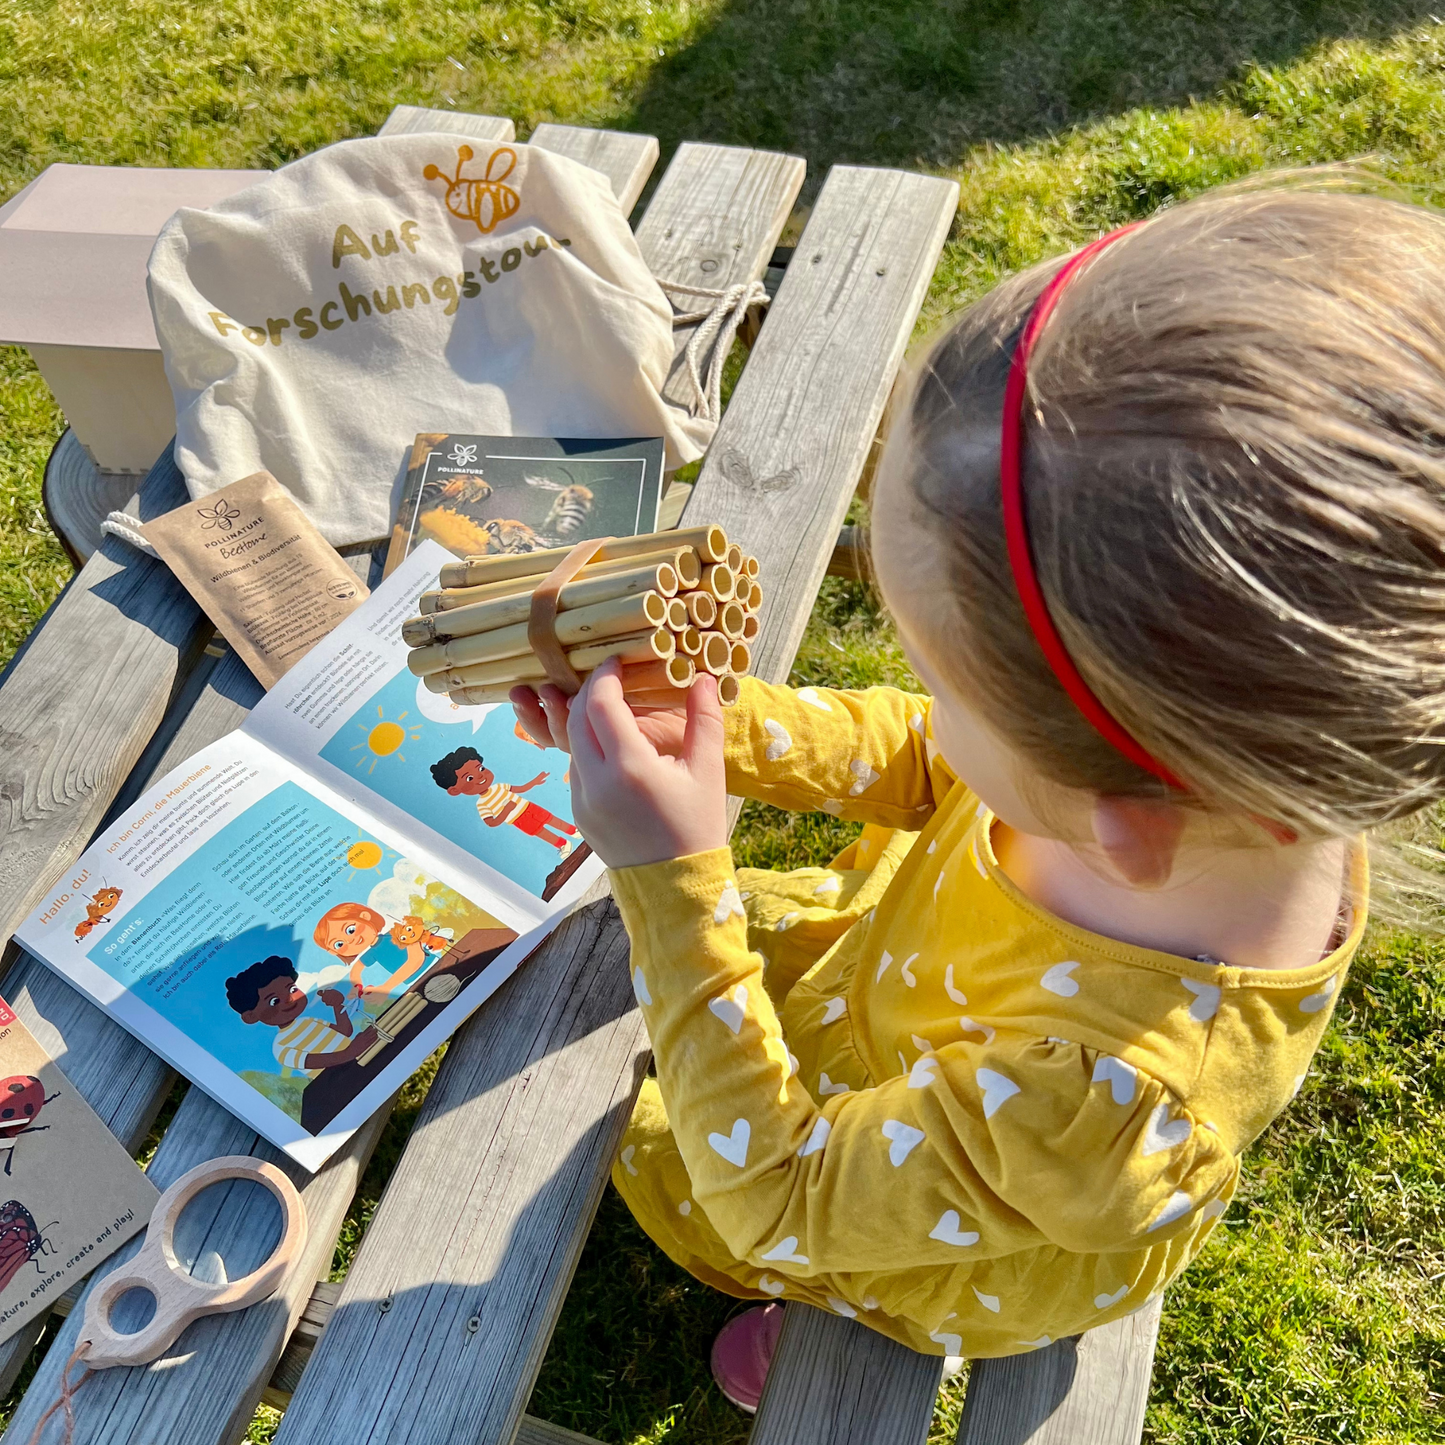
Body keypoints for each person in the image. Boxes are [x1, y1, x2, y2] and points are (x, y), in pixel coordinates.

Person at [511, 183, 1445, 1409]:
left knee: (818, 1223)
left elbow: (777, 1187)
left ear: (1120, 817)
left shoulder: (1104, 1104)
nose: (922, 702)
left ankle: (852, 1312)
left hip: (867, 1193)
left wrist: (671, 878)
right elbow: (924, 757)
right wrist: (722, 729)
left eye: (942, 679)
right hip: (902, 1014)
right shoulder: (1222, 793)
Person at [225, 956, 378, 1076]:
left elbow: (345, 1032)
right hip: (341, 1079)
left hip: (363, 1057)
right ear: (251, 1016)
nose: (289, 999)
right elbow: (315, 1061)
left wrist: (337, 1006)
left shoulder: (308, 1021)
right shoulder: (281, 1047)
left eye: (292, 989)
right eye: (274, 1001)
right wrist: (350, 1053)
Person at [429, 746, 578, 855]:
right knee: (540, 832)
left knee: (550, 819)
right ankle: (563, 844)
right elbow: (491, 822)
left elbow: (519, 789)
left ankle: (573, 830)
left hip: (528, 807)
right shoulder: (482, 804)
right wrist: (506, 810)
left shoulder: (499, 787)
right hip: (517, 819)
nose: (480, 776)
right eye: (469, 778)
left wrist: (535, 781)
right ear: (455, 790)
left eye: (481, 769)